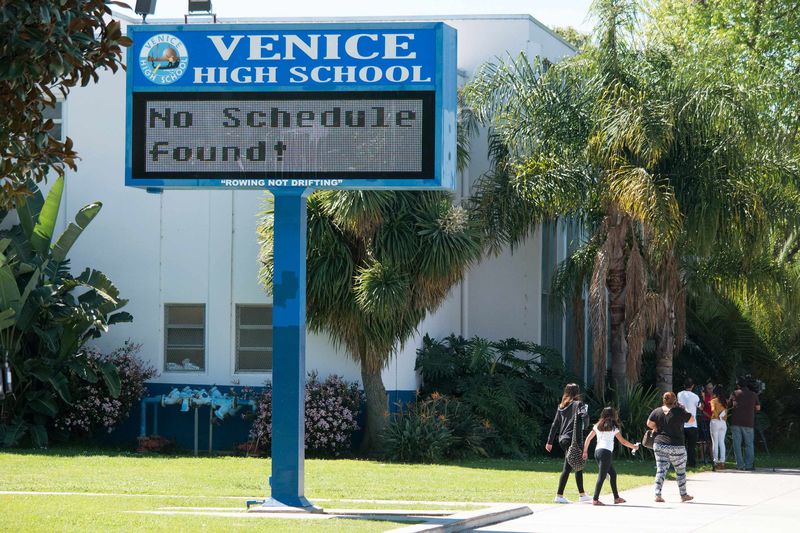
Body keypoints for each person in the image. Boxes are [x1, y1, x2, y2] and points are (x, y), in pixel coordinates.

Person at [582, 407, 640, 506]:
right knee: (602, 476)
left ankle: (616, 498)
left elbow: (588, 438)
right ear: (613, 415)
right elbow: (622, 441)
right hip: (606, 453)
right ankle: (595, 499)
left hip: (597, 452)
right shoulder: (613, 428)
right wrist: (633, 446)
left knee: (612, 474)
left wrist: (585, 451)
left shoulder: (597, 425)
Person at [546, 383, 591, 503]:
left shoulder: (561, 406)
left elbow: (555, 424)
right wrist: (586, 424)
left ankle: (582, 494)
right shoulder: (578, 404)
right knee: (569, 467)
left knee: (577, 464)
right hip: (574, 439)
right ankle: (559, 496)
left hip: (563, 439)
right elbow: (584, 415)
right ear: (577, 392)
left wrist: (549, 442)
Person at [647, 391, 695, 502]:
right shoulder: (680, 411)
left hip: (659, 444)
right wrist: (684, 408)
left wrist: (658, 427)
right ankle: (683, 495)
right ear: (675, 401)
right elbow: (692, 420)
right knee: (680, 471)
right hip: (677, 446)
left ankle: (657, 494)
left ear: (663, 400)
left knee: (661, 470)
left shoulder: (657, 411)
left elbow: (649, 424)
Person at [729, 377, 761, 471]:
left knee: (737, 444)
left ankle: (740, 465)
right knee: (749, 444)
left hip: (736, 421)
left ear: (738, 385)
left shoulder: (735, 393)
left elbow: (733, 405)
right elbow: (758, 408)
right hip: (749, 422)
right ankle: (749, 465)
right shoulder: (753, 394)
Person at [677, 378, 701, 467]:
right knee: (691, 446)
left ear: (684, 385)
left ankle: (680, 462)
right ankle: (692, 463)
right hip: (692, 424)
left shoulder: (679, 394)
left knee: (681, 445)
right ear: (693, 386)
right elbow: (700, 407)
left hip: (681, 424)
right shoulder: (695, 396)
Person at [709, 385, 728, 470]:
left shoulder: (713, 400)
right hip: (723, 423)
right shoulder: (725, 401)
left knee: (715, 443)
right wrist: (722, 418)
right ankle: (723, 462)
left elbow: (713, 410)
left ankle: (715, 462)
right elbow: (726, 412)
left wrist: (717, 417)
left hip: (715, 421)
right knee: (722, 443)